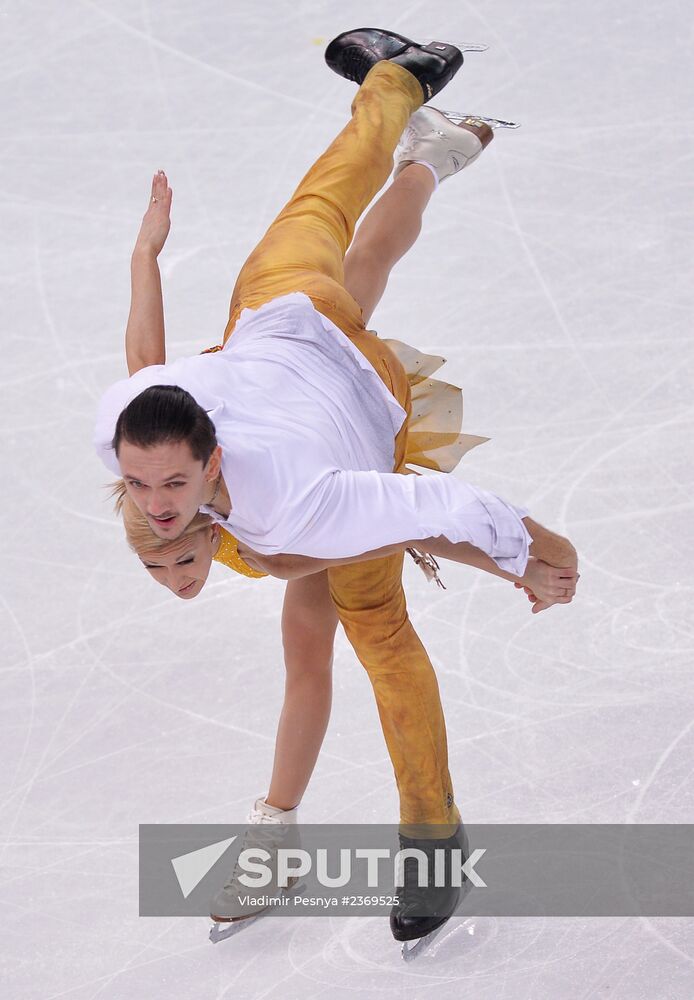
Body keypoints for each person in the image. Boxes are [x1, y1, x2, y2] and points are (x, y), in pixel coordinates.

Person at [94, 27, 580, 944]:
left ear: (210, 483)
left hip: (331, 378)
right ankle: (429, 154)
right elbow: (141, 373)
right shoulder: (155, 475)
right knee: (364, 272)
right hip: (287, 381)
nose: (177, 571)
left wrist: (532, 556)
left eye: (177, 554)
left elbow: (430, 516)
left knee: (381, 635)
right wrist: (143, 259)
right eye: (165, 563)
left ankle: (402, 83)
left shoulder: (306, 507)